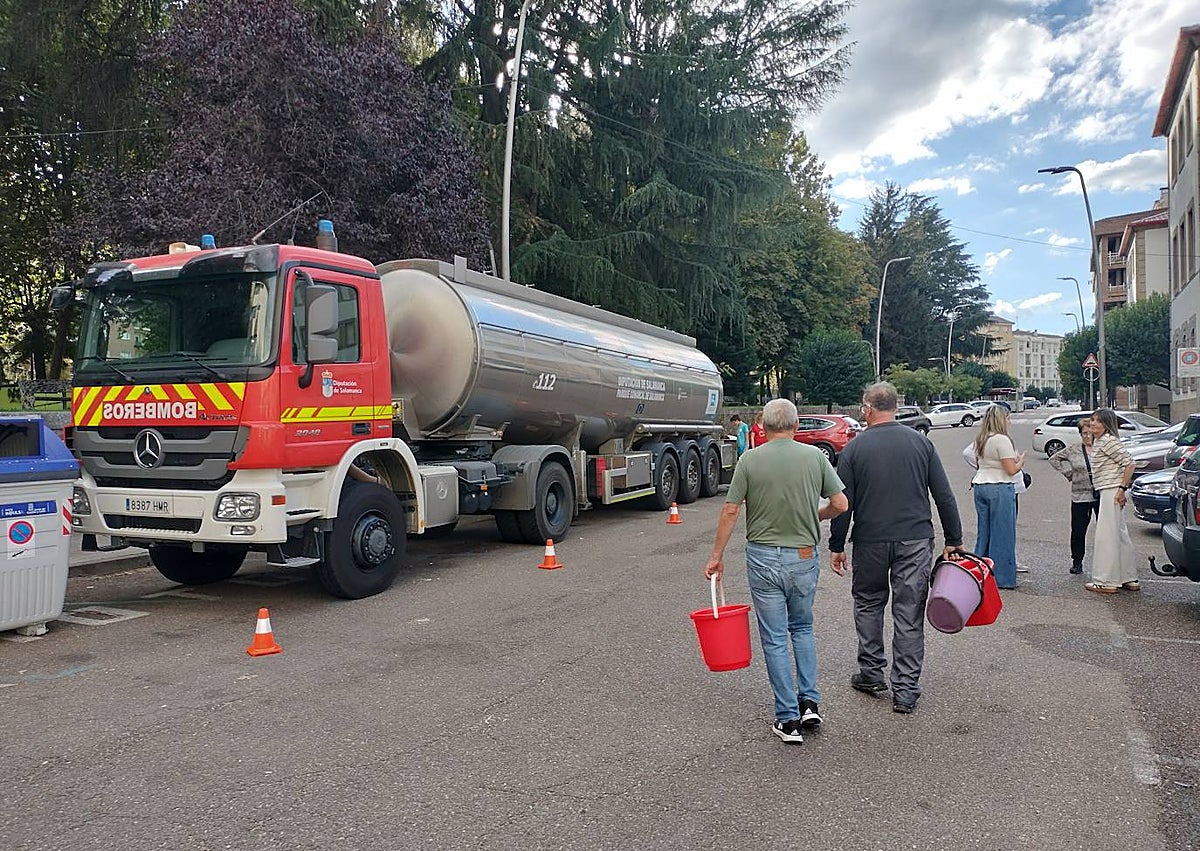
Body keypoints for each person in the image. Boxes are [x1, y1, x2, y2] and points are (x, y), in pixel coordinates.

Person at [705, 398, 848, 744]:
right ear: (796, 426)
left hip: (764, 557)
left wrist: (716, 556)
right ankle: (810, 702)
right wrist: (819, 515)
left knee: (773, 637)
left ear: (763, 427)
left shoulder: (750, 460)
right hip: (802, 556)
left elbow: (730, 510)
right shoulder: (815, 457)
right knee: (802, 627)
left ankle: (787, 718)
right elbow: (841, 504)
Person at [829, 382, 964, 715]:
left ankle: (872, 673)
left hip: (871, 540)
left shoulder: (854, 450)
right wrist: (954, 539)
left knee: (868, 603)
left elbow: (843, 503)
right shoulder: (921, 444)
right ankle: (905, 689)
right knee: (908, 610)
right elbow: (943, 495)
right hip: (915, 540)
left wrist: (836, 545)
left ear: (867, 408)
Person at [1085, 409, 1139, 594]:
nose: (1092, 424)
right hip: (1110, 489)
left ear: (1106, 424)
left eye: (1097, 422)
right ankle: (1128, 577)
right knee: (1119, 534)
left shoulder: (1107, 441)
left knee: (1106, 535)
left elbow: (1130, 463)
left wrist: (1122, 488)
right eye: (1092, 420)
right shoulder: (1101, 441)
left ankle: (1106, 580)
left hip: (1111, 490)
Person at [970, 405, 1023, 590]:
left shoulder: (981, 438)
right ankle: (1002, 578)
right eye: (1008, 418)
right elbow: (1011, 469)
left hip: (980, 485)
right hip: (999, 486)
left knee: (984, 532)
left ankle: (980, 571)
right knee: (1003, 534)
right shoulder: (1002, 439)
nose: (1010, 421)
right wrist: (1020, 461)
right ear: (1002, 419)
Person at [1048, 421, 1101, 575]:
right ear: (1080, 434)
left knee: (1105, 529)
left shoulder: (1101, 449)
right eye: (1085, 433)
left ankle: (1105, 562)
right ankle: (1077, 561)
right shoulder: (1074, 449)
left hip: (1100, 494)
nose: (1088, 436)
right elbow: (1054, 459)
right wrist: (1069, 473)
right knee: (1078, 530)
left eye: (1091, 433)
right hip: (1080, 495)